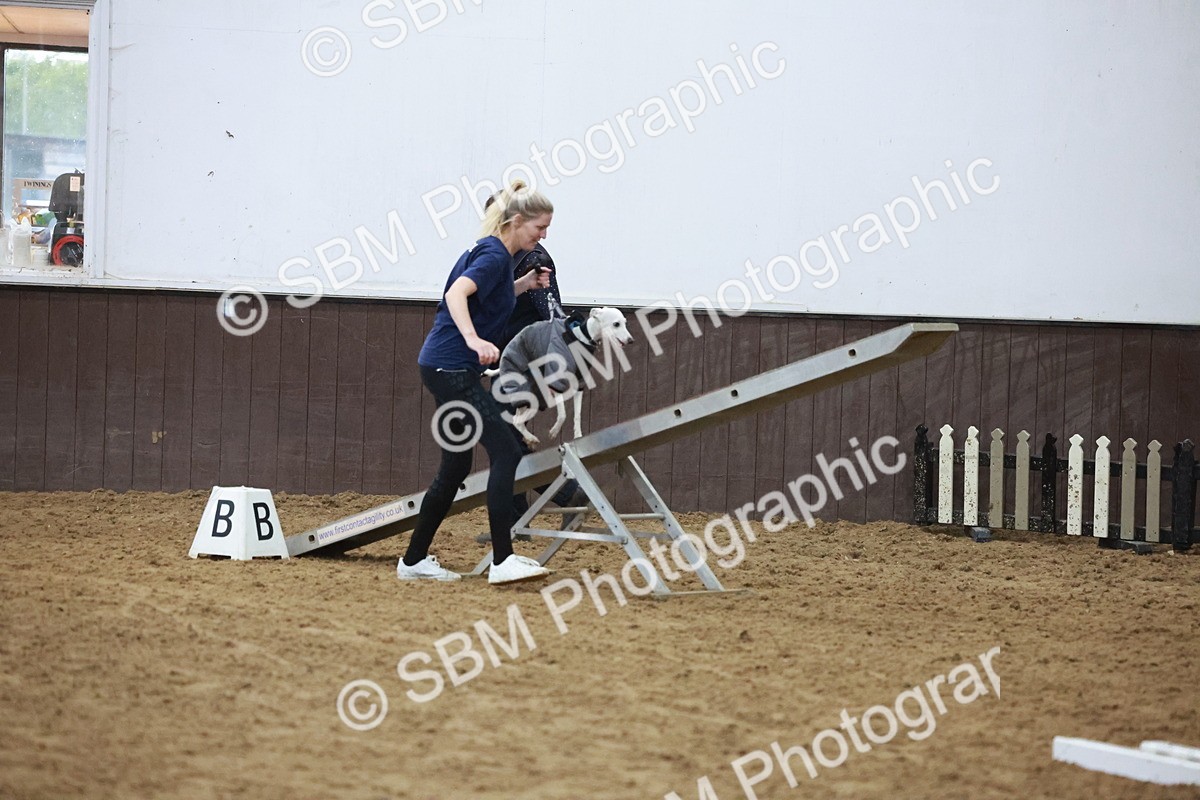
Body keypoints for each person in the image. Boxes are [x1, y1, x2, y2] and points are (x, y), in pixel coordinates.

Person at [398, 180, 555, 585]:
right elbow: (456, 295)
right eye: (539, 228)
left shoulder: (497, 256)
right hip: (451, 368)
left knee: (456, 466)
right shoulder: (491, 254)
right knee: (505, 451)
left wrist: (524, 285)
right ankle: (503, 561)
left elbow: (487, 292)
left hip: (444, 367)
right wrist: (473, 339)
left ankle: (414, 560)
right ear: (516, 221)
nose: (543, 236)